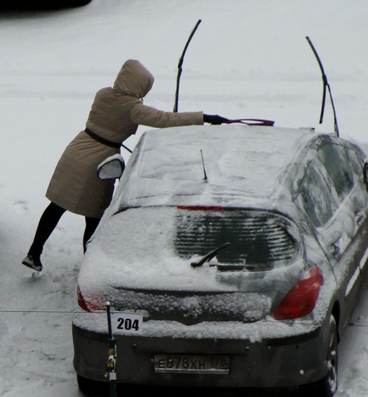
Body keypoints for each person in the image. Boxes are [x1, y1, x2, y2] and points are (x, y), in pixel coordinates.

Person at [22, 59, 229, 272]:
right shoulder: (133, 108)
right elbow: (165, 119)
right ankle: (90, 269)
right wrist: (204, 117)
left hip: (77, 150)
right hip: (99, 161)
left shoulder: (103, 94)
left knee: (57, 205)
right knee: (93, 216)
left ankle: (34, 253)